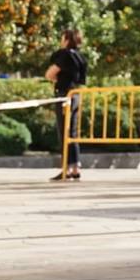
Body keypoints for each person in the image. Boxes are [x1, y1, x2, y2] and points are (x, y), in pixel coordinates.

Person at [45, 28, 88, 182]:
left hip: (64, 95)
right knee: (73, 133)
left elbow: (50, 74)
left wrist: (56, 79)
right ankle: (75, 167)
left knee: (64, 132)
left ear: (67, 39)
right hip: (76, 94)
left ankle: (66, 168)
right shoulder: (80, 57)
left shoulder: (64, 55)